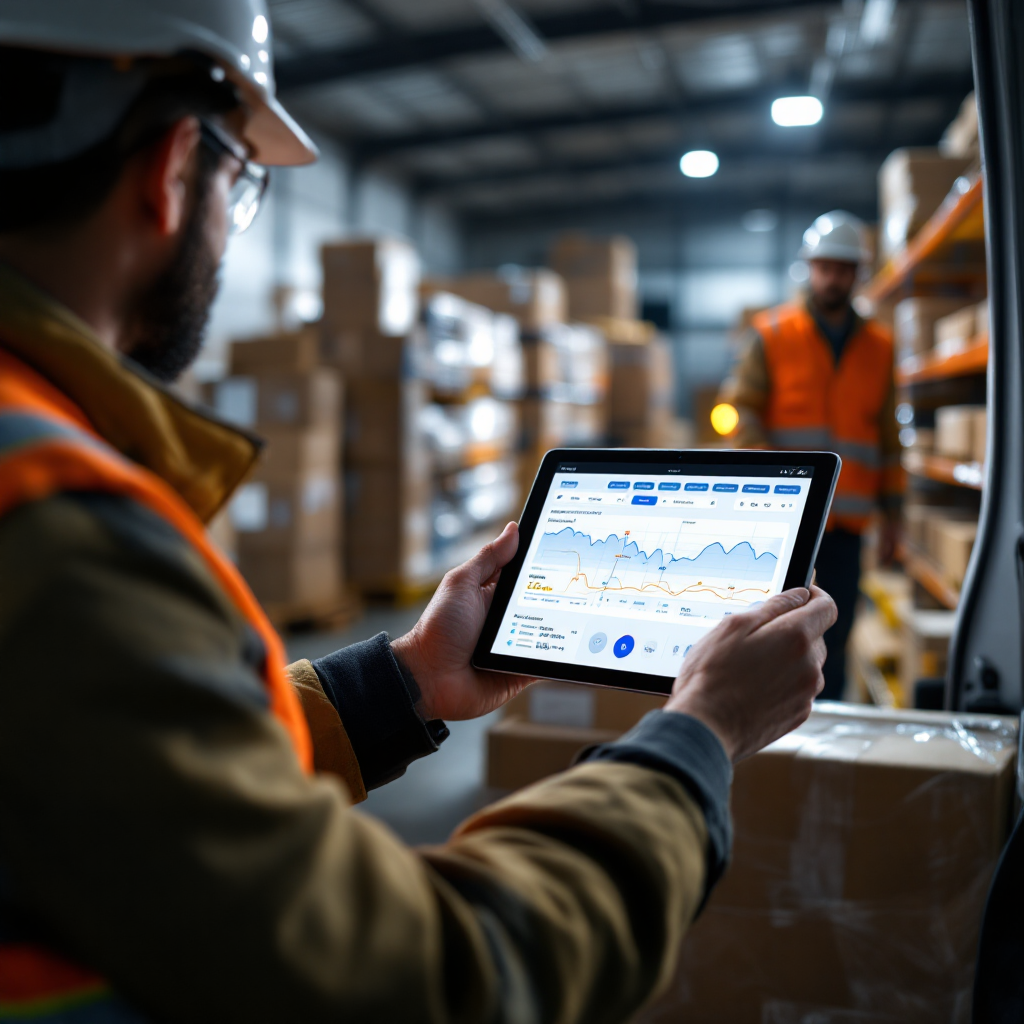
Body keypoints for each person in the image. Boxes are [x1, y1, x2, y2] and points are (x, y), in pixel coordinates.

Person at [0, 4, 837, 1021]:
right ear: (174, 169)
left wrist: (399, 682)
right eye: (244, 183)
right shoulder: (57, 524)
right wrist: (699, 732)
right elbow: (435, 981)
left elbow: (129, 786)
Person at [718, 211, 903, 701]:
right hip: (786, 523)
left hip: (848, 527)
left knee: (835, 638)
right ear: (809, 268)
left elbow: (887, 439)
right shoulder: (772, 333)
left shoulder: (880, 348)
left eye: (843, 268)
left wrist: (896, 517)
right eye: (824, 267)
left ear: (858, 272)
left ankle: (827, 732)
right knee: (776, 632)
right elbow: (740, 409)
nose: (832, 277)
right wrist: (766, 481)